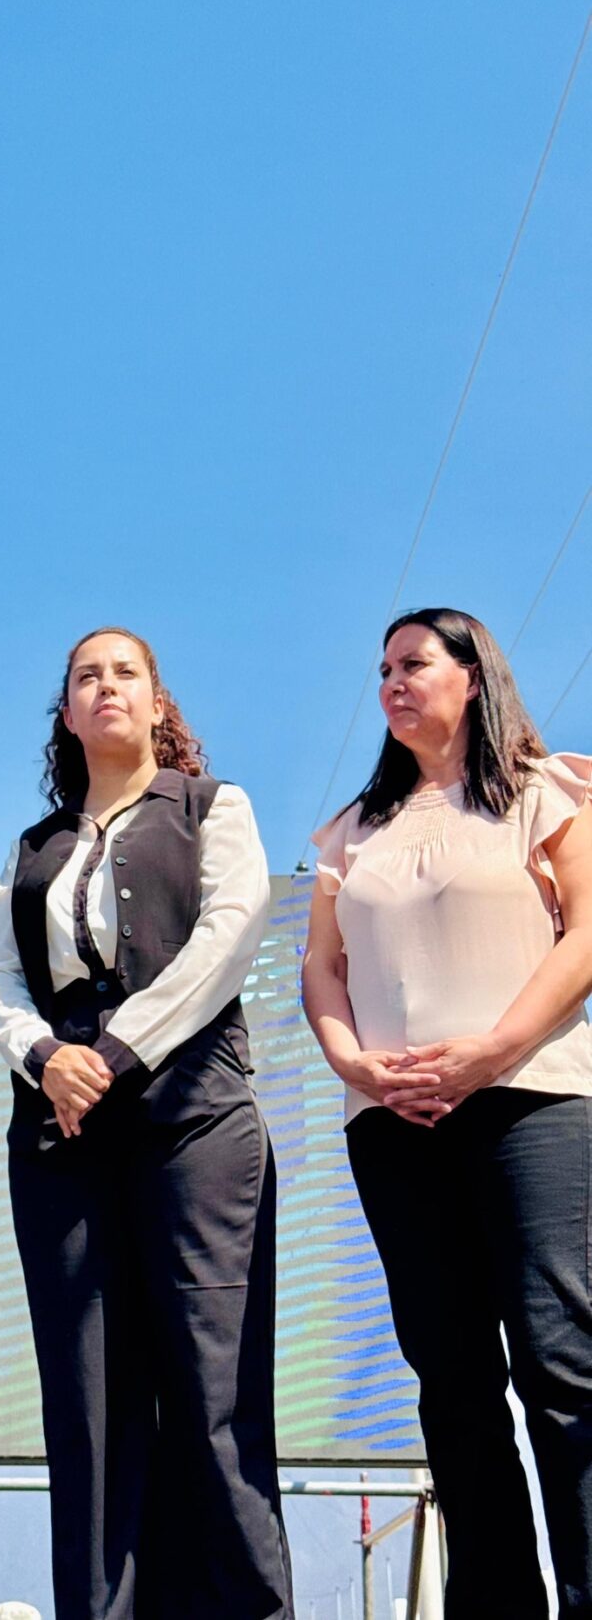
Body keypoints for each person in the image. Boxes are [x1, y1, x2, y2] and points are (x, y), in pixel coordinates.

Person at [0, 626, 293, 1620]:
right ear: (67, 713)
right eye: (86, 675)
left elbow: (227, 935)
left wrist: (114, 1054)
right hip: (61, 1134)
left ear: (158, 703)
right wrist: (47, 1058)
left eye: (125, 672)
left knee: (211, 1386)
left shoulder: (213, 807)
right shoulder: (32, 846)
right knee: (89, 1407)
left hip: (193, 1120)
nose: (105, 686)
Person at [303, 607, 592, 1619]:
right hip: (395, 1126)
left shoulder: (546, 791)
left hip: (531, 1103)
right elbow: (321, 967)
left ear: (473, 675)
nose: (392, 680)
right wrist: (355, 1063)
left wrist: (492, 1048)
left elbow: (586, 934)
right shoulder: (351, 829)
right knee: (453, 1376)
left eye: (414, 662)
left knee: (561, 1358)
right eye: (382, 666)